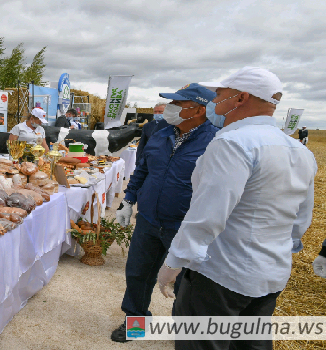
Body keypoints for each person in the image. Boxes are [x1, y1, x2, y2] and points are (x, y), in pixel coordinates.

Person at [157, 67, 317, 350]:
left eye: (219, 94)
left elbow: (208, 214)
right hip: (271, 273)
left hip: (221, 275)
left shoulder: (233, 143)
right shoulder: (299, 151)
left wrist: (174, 262)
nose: (213, 101)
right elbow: (301, 217)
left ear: (240, 98)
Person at [110, 83, 218, 343]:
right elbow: (143, 170)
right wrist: (128, 199)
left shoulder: (216, 141)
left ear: (198, 110)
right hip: (148, 220)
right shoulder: (161, 134)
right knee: (138, 274)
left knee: (185, 285)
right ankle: (135, 323)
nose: (169, 109)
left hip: (185, 225)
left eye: (177, 105)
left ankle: (186, 336)